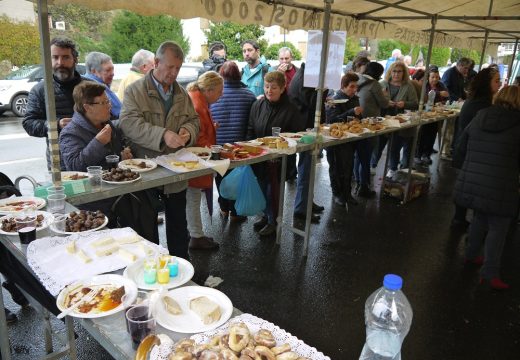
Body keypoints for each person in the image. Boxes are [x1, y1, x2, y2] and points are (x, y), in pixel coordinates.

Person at [120, 41, 200, 260]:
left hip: (175, 172)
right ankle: (152, 272)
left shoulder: (182, 94)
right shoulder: (135, 91)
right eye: (170, 67)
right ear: (156, 63)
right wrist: (162, 134)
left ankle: (183, 271)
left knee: (178, 228)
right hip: (145, 171)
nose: (174, 73)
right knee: (147, 231)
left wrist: (187, 131)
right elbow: (128, 123)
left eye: (178, 68)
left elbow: (195, 120)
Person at [453, 85, 520, 290]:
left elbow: (461, 146)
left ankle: (471, 256)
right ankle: (490, 274)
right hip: (502, 184)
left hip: (473, 180)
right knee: (498, 229)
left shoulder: (480, 116)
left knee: (479, 219)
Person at [248, 71, 304, 236]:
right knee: (262, 188)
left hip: (280, 159)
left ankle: (274, 222)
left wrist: (283, 143)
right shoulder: (257, 105)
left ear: (282, 88)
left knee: (274, 191)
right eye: (266, 86)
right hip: (259, 155)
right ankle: (266, 216)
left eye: (273, 87)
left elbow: (296, 135)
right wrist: (250, 149)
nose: (269, 91)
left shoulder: (291, 109)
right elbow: (250, 128)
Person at [23, 36, 85, 170]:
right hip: (60, 163)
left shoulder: (90, 87)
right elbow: (29, 123)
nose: (60, 62)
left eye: (65, 57)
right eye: (55, 57)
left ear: (75, 60)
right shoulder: (40, 90)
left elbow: (108, 117)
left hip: (92, 157)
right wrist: (56, 124)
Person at [451, 67, 500, 230]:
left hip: (467, 150)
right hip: (470, 151)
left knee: (465, 186)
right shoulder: (482, 105)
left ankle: (459, 219)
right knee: (468, 188)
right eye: (497, 81)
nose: (499, 85)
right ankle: (460, 221)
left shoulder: (478, 101)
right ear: (487, 84)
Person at [210, 61, 256, 220]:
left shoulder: (214, 96)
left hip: (219, 147)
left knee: (221, 177)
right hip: (239, 148)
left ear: (221, 76)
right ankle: (236, 213)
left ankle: (224, 208)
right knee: (237, 179)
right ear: (239, 75)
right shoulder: (249, 95)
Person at [186, 71, 224, 250]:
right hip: (194, 158)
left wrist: (211, 127)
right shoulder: (198, 104)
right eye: (219, 91)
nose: (221, 95)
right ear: (208, 90)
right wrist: (214, 148)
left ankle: (194, 233)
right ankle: (196, 236)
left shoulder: (198, 99)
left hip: (191, 157)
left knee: (191, 197)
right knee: (193, 197)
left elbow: (199, 129)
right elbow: (197, 137)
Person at [288, 62, 326, 223]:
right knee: (306, 171)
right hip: (305, 130)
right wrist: (324, 91)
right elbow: (312, 102)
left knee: (308, 170)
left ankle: (307, 202)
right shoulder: (305, 77)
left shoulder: (305, 74)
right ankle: (302, 208)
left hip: (307, 128)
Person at [325, 73, 363, 206]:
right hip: (335, 140)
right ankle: (337, 194)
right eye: (351, 87)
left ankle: (347, 194)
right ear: (343, 86)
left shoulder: (355, 98)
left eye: (356, 87)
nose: (354, 90)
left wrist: (359, 117)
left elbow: (357, 119)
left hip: (350, 139)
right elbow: (332, 120)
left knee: (348, 167)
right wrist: (352, 112)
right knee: (335, 167)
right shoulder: (334, 100)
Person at [378, 62, 418, 177]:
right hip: (382, 120)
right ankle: (373, 165)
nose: (396, 74)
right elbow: (376, 101)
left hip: (400, 121)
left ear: (404, 73)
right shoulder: (382, 84)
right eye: (394, 71)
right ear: (390, 72)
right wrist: (385, 103)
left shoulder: (408, 86)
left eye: (399, 71)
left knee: (394, 147)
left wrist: (404, 104)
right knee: (379, 145)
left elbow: (415, 104)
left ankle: (393, 168)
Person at [356, 62, 389, 195]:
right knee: (366, 156)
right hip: (370, 122)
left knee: (358, 156)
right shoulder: (375, 84)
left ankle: (358, 182)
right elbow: (384, 103)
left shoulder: (358, 79)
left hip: (357, 120)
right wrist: (385, 95)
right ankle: (363, 186)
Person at [271, 46, 299, 181]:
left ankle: (292, 172)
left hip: (294, 109)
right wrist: (279, 73)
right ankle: (280, 172)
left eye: (286, 58)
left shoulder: (297, 71)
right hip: (280, 108)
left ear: (291, 58)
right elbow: (271, 86)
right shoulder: (275, 71)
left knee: (292, 140)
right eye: (281, 58)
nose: (284, 61)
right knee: (279, 140)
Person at [415, 66, 449, 165]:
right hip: (424, 113)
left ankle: (427, 154)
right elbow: (425, 97)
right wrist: (439, 94)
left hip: (436, 113)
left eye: (437, 77)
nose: (435, 79)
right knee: (422, 134)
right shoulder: (424, 85)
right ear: (428, 77)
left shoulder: (441, 84)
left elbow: (447, 95)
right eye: (433, 77)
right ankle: (418, 155)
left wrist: (442, 100)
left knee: (432, 134)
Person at [84, 51, 121, 118]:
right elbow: (119, 114)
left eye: (112, 69)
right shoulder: (93, 88)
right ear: (94, 71)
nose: (112, 73)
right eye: (108, 70)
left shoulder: (97, 83)